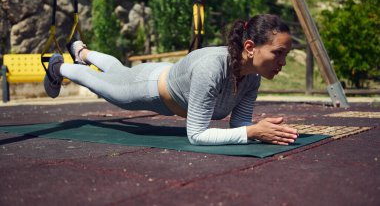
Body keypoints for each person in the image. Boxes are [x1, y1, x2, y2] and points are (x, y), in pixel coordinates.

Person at [44, 14, 298, 146]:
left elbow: (239, 124)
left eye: (285, 55)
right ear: (251, 47)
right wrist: (252, 132)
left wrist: (260, 130)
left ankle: (82, 51)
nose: (282, 62)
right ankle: (58, 67)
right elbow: (196, 135)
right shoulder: (212, 69)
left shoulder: (251, 78)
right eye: (278, 53)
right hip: (145, 87)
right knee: (103, 84)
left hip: (168, 74)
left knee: (118, 69)